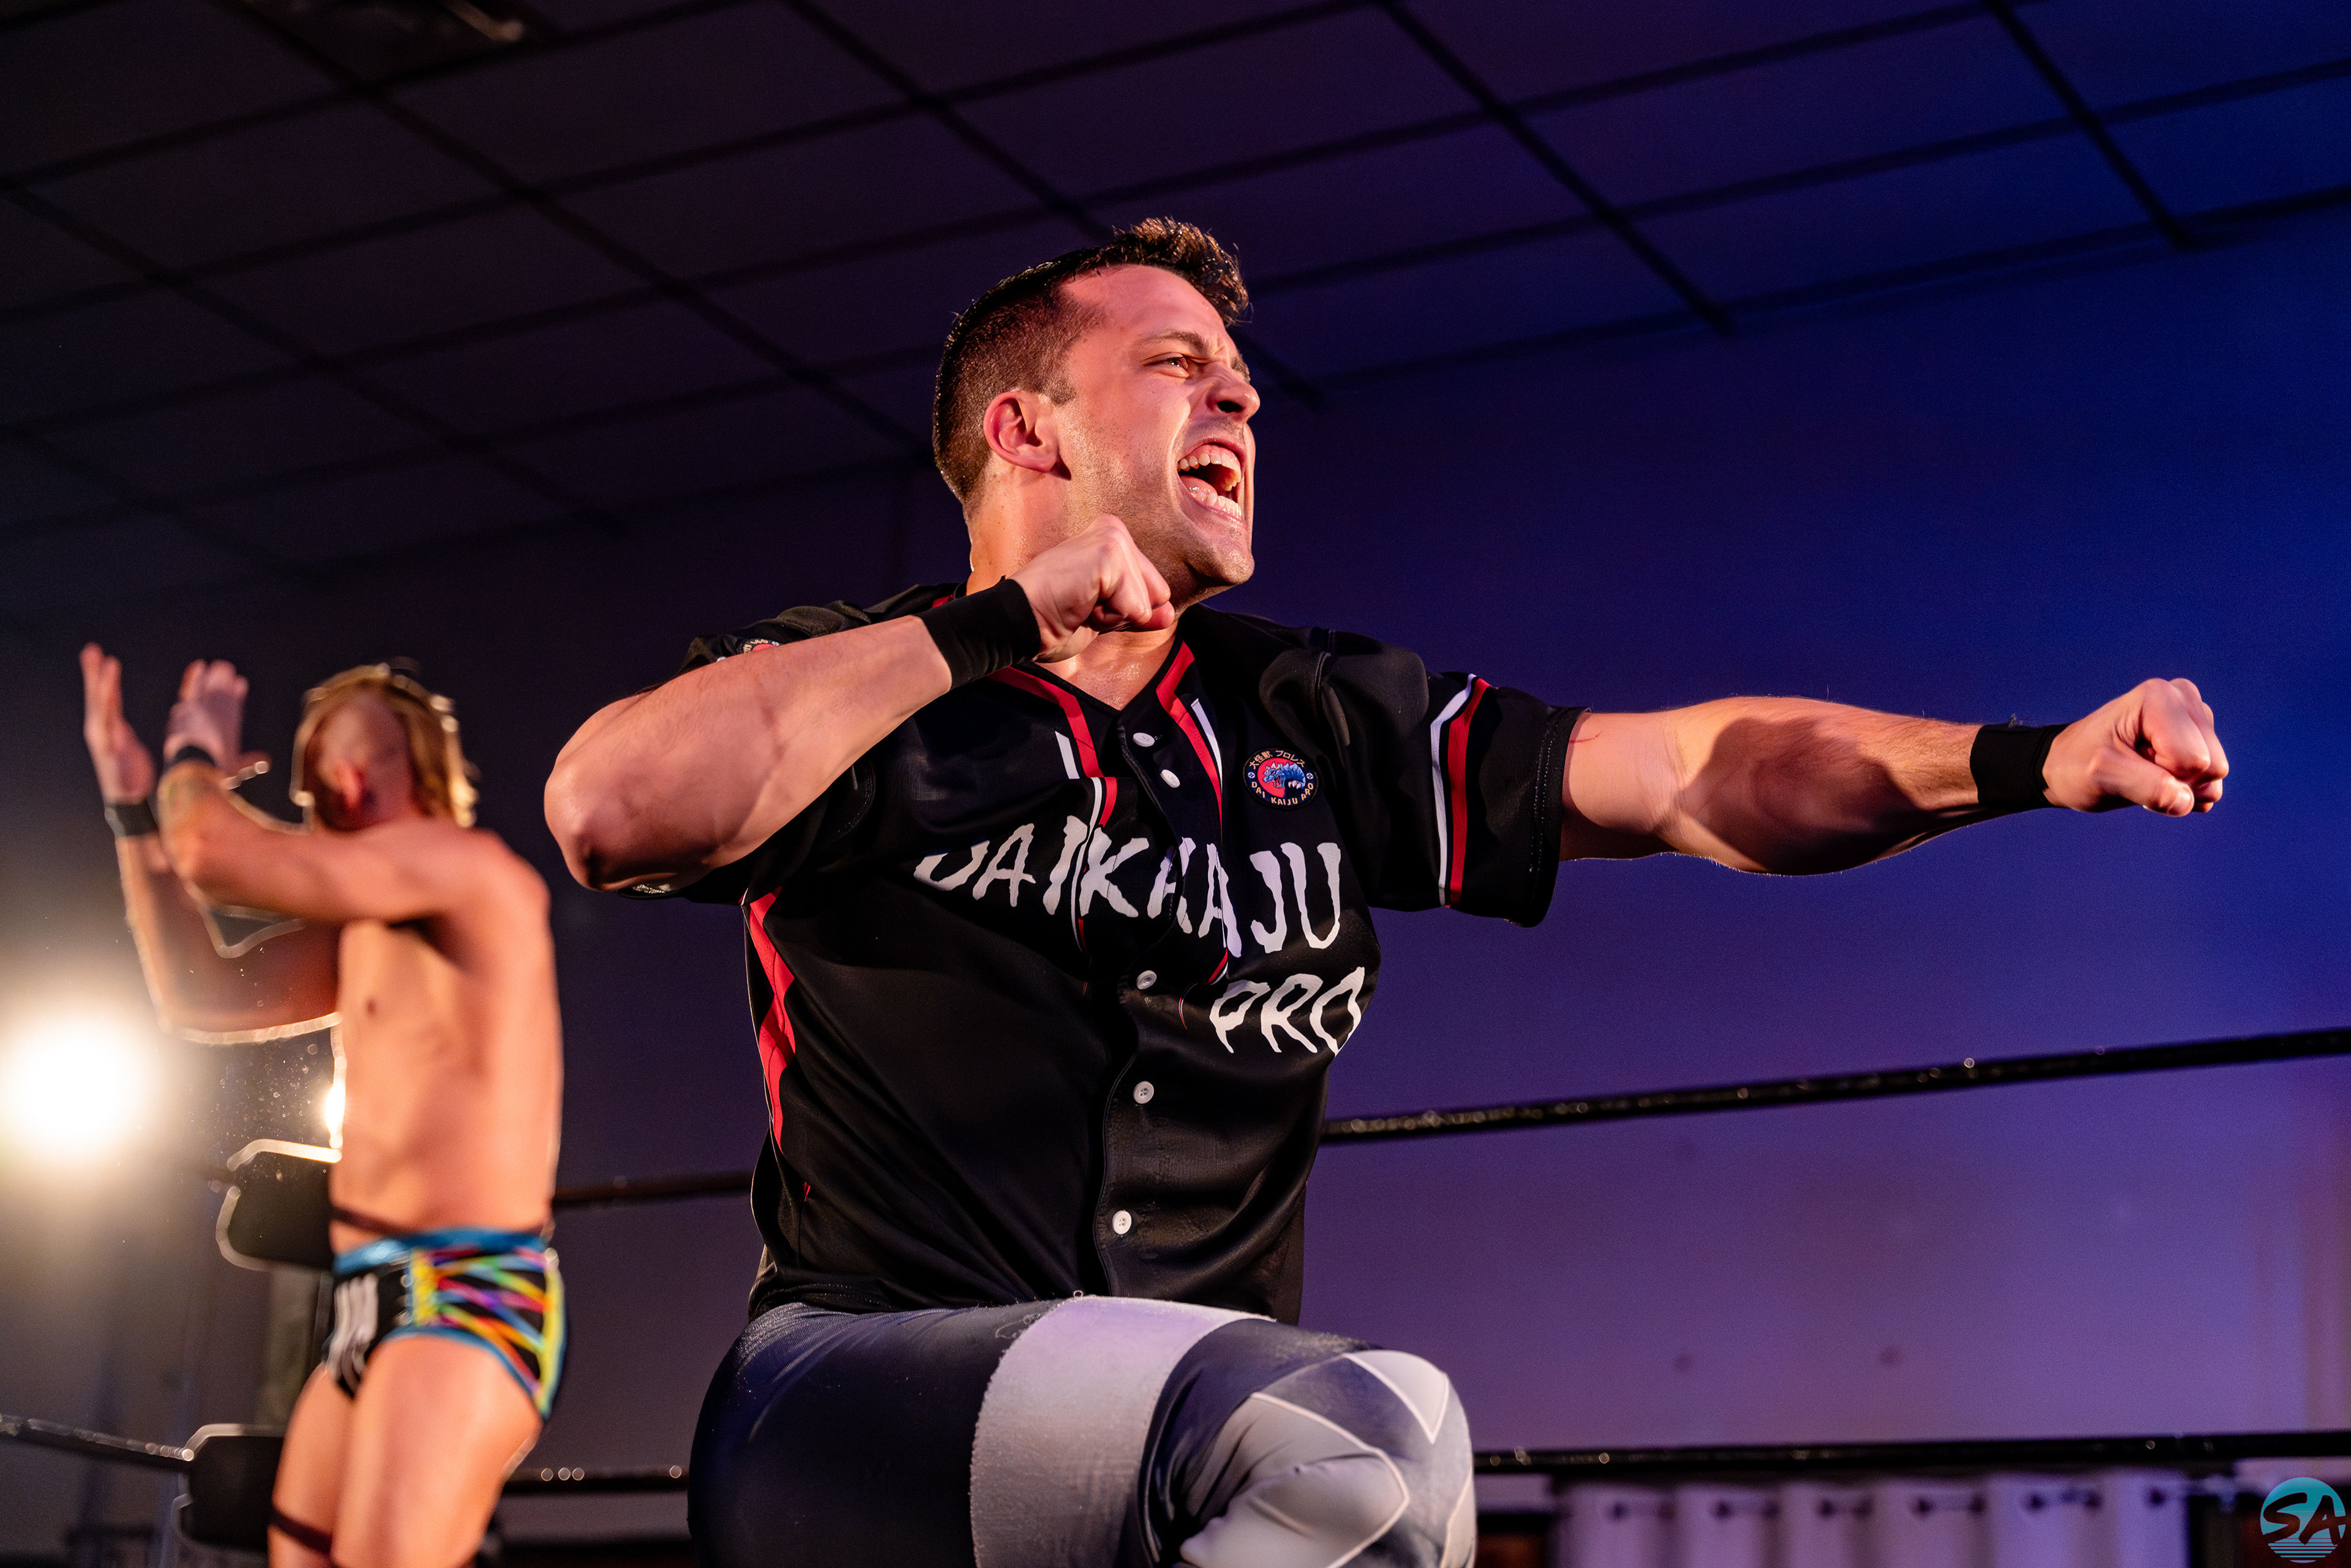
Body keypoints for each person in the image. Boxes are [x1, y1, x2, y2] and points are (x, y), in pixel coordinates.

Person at [541, 218, 2226, 1568]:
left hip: (1181, 1431)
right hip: (857, 1408)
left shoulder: (1314, 713)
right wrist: (1003, 620)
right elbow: (607, 811)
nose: (1239, 403)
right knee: (1366, 1436)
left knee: (1363, 1478)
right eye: (1178, 366)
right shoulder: (866, 684)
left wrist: (2028, 761)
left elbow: (1697, 774)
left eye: (1243, 383)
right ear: (1025, 428)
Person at [80, 650, 565, 1568]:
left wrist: (193, 755)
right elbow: (196, 992)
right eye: (316, 774)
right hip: (362, 1302)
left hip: (463, 1298)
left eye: (355, 758)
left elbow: (215, 853)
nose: (333, 786)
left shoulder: (469, 873)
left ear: (404, 768)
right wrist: (135, 811)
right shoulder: (366, 930)